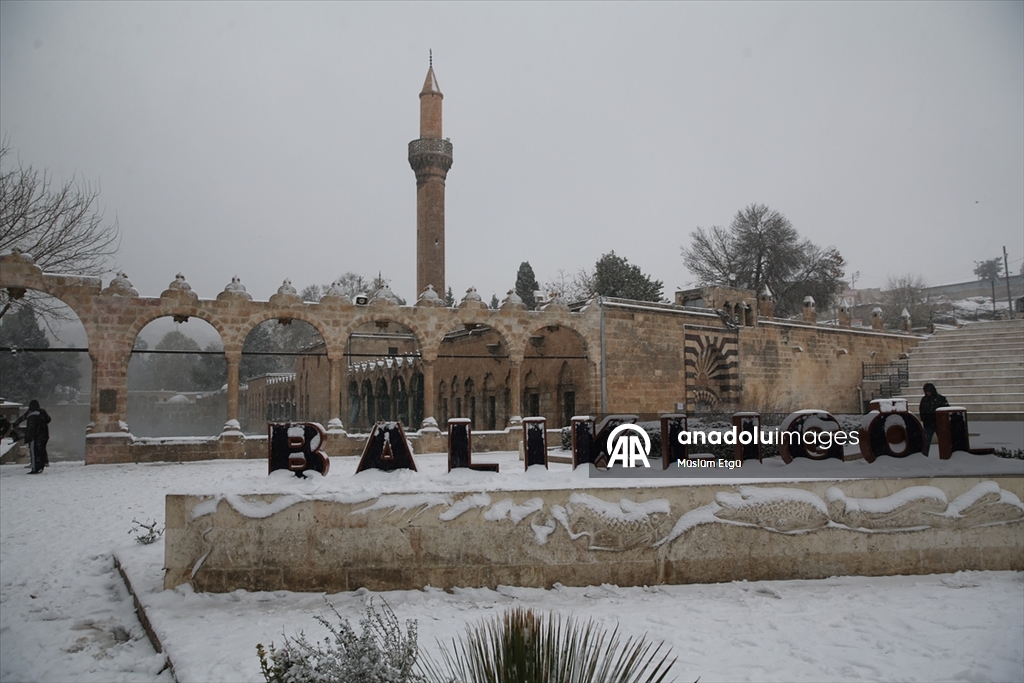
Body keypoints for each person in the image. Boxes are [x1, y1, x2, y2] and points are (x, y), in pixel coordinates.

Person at [13, 400, 51, 474]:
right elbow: (48, 419)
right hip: (44, 435)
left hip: (35, 436)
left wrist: (15, 424)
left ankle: (35, 466)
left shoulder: (31, 414)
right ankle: (43, 462)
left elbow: (25, 421)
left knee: (34, 450)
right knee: (42, 449)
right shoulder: (42, 412)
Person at [919, 383, 948, 457]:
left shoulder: (940, 399)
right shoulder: (925, 400)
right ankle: (925, 456)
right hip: (929, 424)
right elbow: (922, 411)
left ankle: (945, 455)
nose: (928, 393)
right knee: (926, 442)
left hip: (938, 424)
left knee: (943, 442)